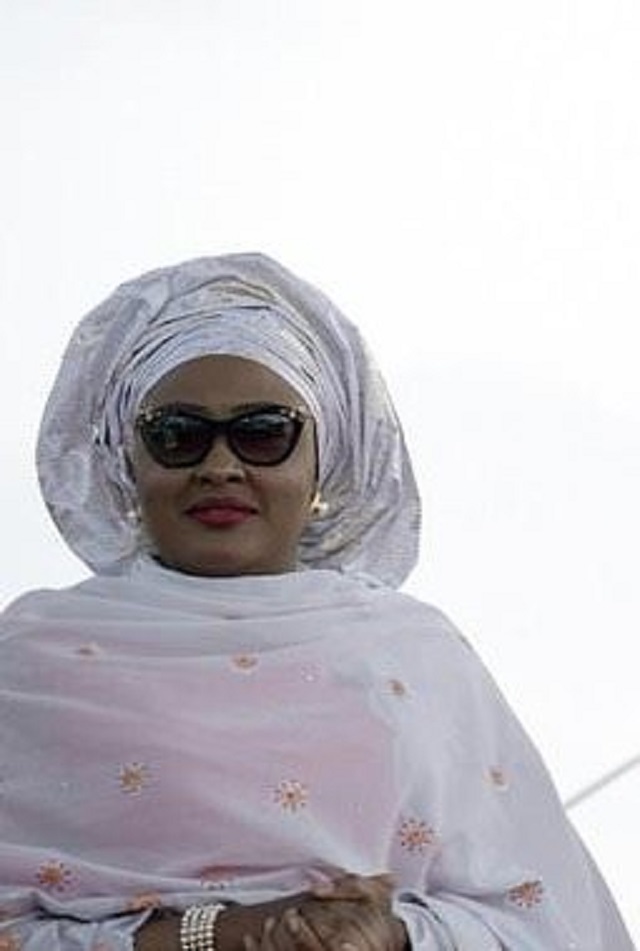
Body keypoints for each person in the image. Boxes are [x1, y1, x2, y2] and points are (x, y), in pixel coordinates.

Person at [0, 253, 633, 951]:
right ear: (128, 459)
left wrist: (388, 931)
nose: (220, 466)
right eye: (177, 433)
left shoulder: (409, 654)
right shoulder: (34, 659)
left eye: (264, 432)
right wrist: (215, 934)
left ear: (322, 461)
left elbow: (540, 915)